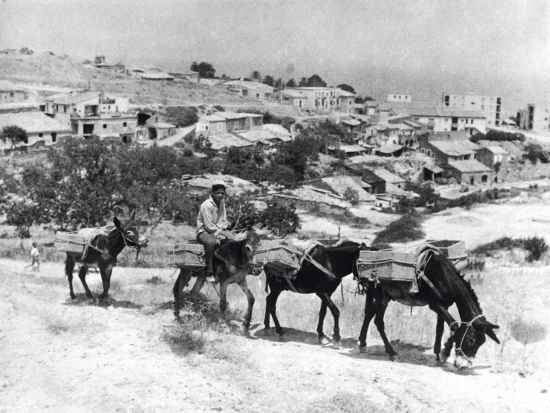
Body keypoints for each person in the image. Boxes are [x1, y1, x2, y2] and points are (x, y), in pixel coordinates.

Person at [197, 183, 234, 282]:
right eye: (218, 193)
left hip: (218, 231)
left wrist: (226, 227)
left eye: (222, 193)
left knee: (233, 241)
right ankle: (209, 272)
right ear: (212, 193)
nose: (220, 195)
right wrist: (221, 231)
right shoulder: (206, 205)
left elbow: (224, 221)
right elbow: (209, 226)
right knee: (211, 243)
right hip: (204, 232)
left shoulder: (222, 204)